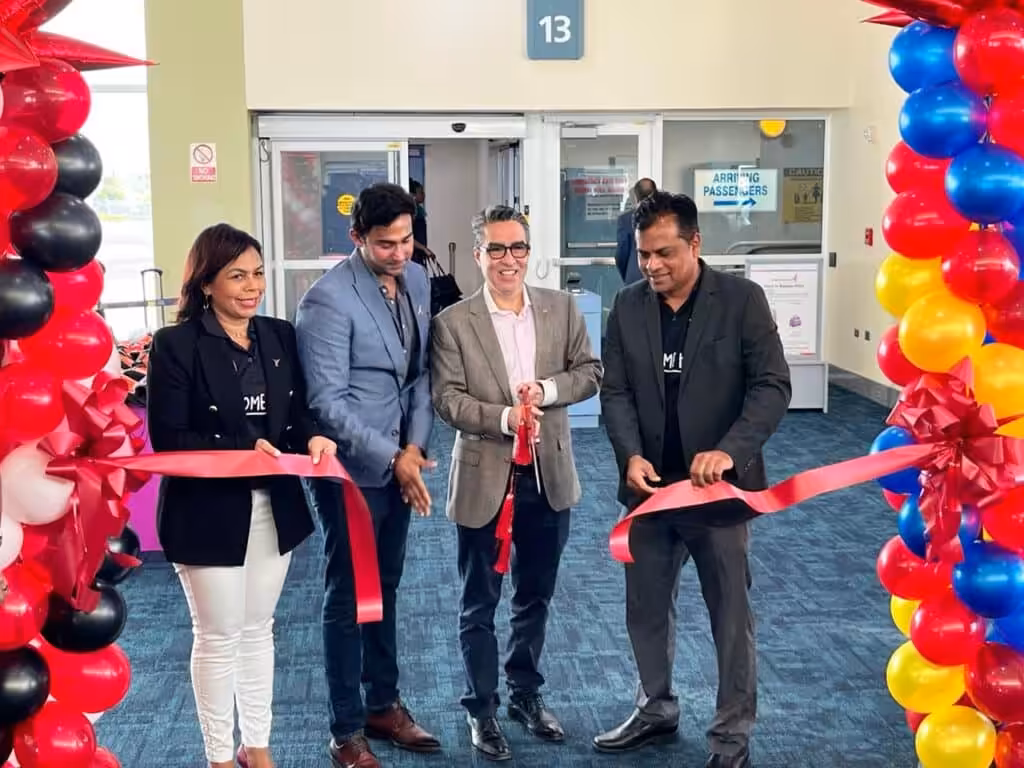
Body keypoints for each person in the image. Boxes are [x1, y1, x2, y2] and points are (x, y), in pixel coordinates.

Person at [594, 191, 791, 768]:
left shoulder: (742, 300)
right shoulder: (628, 306)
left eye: (665, 253)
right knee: (646, 610)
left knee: (730, 618)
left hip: (718, 496)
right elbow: (617, 391)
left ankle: (731, 737)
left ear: (696, 243)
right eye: (644, 254)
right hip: (651, 494)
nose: (653, 265)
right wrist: (629, 454)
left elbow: (771, 387)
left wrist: (729, 452)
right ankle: (655, 708)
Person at [147, 223, 337, 768]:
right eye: (237, 276)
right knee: (218, 635)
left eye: (257, 274)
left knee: (259, 631)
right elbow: (170, 440)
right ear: (206, 283)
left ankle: (257, 747)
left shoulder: (278, 335)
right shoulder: (176, 344)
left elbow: (295, 417)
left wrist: (313, 435)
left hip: (273, 508)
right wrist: (244, 447)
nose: (252, 287)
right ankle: (218, 758)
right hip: (206, 513)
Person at [430, 205, 603, 762]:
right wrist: (506, 418)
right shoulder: (453, 322)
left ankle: (525, 694)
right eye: (498, 249)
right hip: (486, 479)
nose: (510, 259)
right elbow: (447, 400)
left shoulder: (560, 307)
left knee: (535, 595)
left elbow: (590, 371)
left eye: (519, 248)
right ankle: (481, 709)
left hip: (548, 477)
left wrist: (548, 393)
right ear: (479, 254)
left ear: (530, 252)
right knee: (478, 602)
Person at [294, 183, 439, 768]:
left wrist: (415, 450)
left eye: (407, 240)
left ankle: (384, 703)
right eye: (386, 244)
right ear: (357, 239)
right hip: (351, 471)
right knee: (349, 596)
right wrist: (391, 456)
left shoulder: (421, 280)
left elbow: (422, 374)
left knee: (390, 586)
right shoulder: (326, 301)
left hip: (402, 461)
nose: (400, 252)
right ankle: (345, 729)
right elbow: (328, 403)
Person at [615, 177, 657, 285]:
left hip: (635, 279)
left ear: (635, 196)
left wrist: (629, 274)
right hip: (663, 280)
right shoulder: (667, 218)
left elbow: (621, 256)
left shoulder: (625, 220)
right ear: (656, 193)